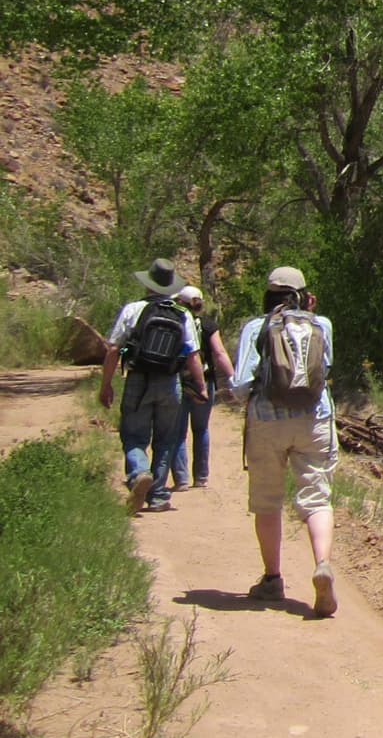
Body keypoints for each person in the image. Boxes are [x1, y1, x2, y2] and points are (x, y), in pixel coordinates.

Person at [224, 265, 339, 616]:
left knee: (267, 501)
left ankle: (273, 578)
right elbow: (327, 367)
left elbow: (240, 385)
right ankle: (322, 563)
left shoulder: (256, 327)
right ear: (305, 294)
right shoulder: (322, 325)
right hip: (314, 419)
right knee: (317, 497)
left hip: (267, 420)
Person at [100, 258, 205, 514]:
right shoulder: (183, 314)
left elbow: (115, 349)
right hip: (170, 382)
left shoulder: (133, 310)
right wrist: (200, 386)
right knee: (166, 439)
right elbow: (192, 355)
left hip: (138, 379)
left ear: (148, 284)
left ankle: (138, 473)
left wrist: (106, 385)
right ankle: (157, 496)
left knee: (134, 435)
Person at [163, 285, 232, 490]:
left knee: (178, 431)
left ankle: (181, 478)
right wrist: (233, 378)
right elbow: (219, 353)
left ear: (181, 303)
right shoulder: (209, 325)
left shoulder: (175, 323)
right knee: (201, 428)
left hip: (180, 382)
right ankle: (201, 476)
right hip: (205, 381)